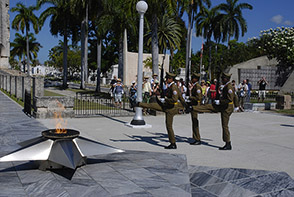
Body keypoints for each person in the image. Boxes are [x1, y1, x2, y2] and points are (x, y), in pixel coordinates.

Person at [138, 72, 187, 149]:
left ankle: (173, 143)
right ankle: (138, 104)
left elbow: (174, 99)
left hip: (170, 108)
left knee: (169, 126)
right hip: (166, 106)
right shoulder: (171, 86)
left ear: (171, 79)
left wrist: (166, 100)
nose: (166, 79)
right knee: (152, 106)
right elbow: (180, 97)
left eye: (167, 78)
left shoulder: (173, 87)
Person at [192, 72, 234, 150]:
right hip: (223, 106)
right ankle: (194, 108)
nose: (221, 80)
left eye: (223, 78)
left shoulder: (229, 87)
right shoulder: (226, 86)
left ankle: (228, 143)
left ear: (227, 79)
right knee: (210, 107)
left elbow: (230, 99)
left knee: (225, 125)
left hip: (226, 107)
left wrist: (220, 102)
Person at [188, 73, 202, 145]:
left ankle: (197, 138)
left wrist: (190, 97)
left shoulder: (197, 87)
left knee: (195, 121)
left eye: (193, 78)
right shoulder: (194, 86)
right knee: (194, 121)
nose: (191, 79)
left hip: (196, 105)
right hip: (193, 105)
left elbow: (199, 98)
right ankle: (195, 137)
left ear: (196, 79)